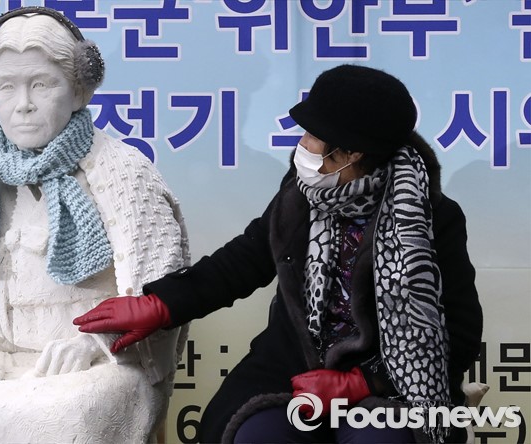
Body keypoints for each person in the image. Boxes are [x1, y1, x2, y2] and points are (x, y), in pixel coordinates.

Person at [75, 64, 483, 443]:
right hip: (293, 368)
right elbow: (246, 259)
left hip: (391, 383)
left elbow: (460, 333)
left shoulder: (431, 218)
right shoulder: (305, 192)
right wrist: (162, 304)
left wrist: (361, 382)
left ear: (351, 153)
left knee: (381, 439)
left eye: (312, 136)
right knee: (257, 436)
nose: (301, 144)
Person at [0, 7, 189, 443]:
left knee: (75, 413)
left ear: (79, 90)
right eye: (7, 87)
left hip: (94, 366)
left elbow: (158, 290)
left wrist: (95, 344)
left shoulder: (127, 175)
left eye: (42, 84)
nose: (24, 104)